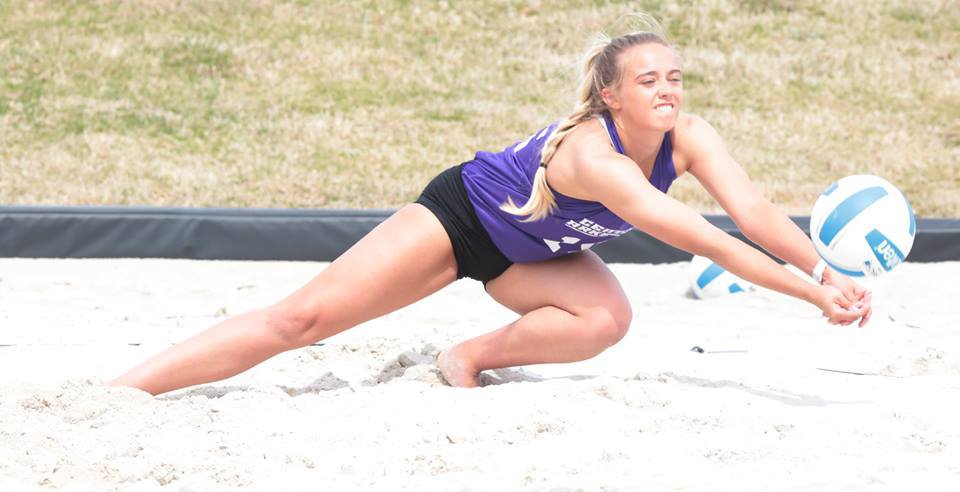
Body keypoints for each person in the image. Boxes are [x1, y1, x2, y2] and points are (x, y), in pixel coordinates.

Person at [110, 20, 871, 396]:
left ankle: (466, 357)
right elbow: (710, 241)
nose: (668, 90)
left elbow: (753, 213)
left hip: (533, 254)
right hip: (461, 222)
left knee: (604, 320)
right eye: (649, 80)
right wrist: (814, 298)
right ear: (611, 95)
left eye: (675, 77)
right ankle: (125, 391)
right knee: (301, 321)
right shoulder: (595, 157)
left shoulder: (691, 136)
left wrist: (824, 269)